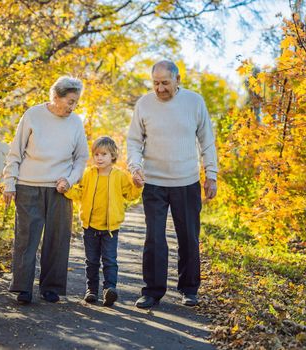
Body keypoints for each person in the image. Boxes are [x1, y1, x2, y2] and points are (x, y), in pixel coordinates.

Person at [127, 60, 218, 308]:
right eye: (155, 83)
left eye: (165, 83)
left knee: (188, 236)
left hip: (186, 181)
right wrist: (134, 167)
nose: (159, 88)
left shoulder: (194, 102)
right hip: (154, 182)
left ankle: (189, 289)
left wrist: (211, 174)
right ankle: (152, 291)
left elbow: (207, 141)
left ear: (178, 80)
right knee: (154, 238)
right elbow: (134, 141)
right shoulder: (144, 104)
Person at [2, 76, 89, 305]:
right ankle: (23, 287)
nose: (73, 107)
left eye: (76, 102)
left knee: (57, 238)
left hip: (60, 190)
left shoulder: (76, 123)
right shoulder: (33, 115)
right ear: (56, 97)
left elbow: (81, 158)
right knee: (26, 238)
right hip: (29, 185)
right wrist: (9, 182)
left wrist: (70, 180)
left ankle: (51, 288)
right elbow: (16, 151)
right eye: (70, 101)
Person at [65, 136, 142, 307]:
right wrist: (66, 191)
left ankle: (109, 289)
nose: (99, 158)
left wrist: (137, 186)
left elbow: (130, 195)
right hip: (90, 227)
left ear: (113, 156)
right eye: (97, 154)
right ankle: (91, 290)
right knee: (91, 261)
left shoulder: (119, 176)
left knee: (109, 260)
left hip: (110, 228)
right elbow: (79, 194)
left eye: (104, 154)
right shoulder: (88, 174)